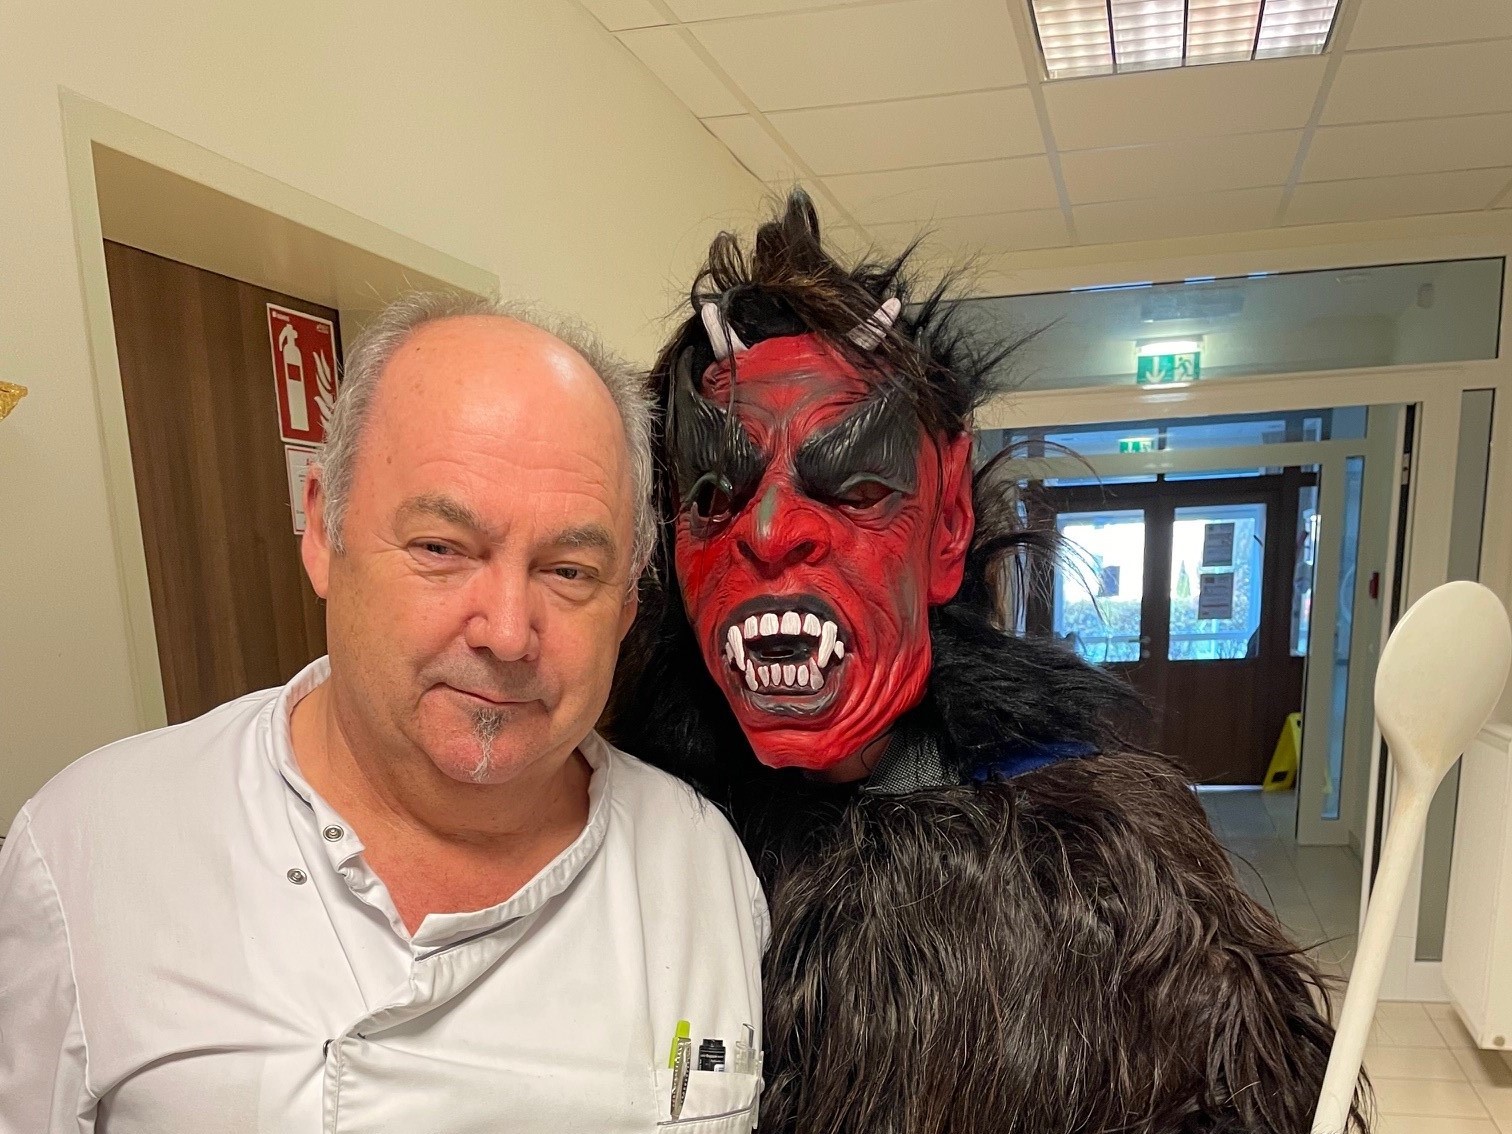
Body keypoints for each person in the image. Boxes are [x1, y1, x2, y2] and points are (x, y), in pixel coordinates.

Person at [607, 191, 1369, 1133]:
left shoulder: (1093, 869)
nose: (767, 530)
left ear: (948, 527)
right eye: (714, 494)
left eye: (855, 486)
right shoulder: (635, 839)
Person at [0, 294, 766, 1133]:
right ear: (322, 531)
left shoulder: (703, 868)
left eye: (569, 571)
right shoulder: (91, 848)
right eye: (441, 548)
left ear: (625, 607)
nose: (508, 633)